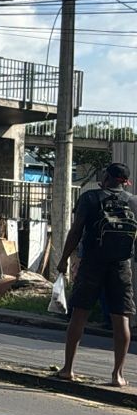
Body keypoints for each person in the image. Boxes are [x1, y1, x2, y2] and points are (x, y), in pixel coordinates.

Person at [53, 162, 136, 387]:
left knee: (79, 314)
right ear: (125, 182)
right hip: (121, 266)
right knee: (121, 319)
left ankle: (68, 369)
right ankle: (117, 375)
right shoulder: (133, 202)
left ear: (106, 177)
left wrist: (63, 260)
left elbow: (76, 230)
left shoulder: (90, 198)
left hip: (92, 263)